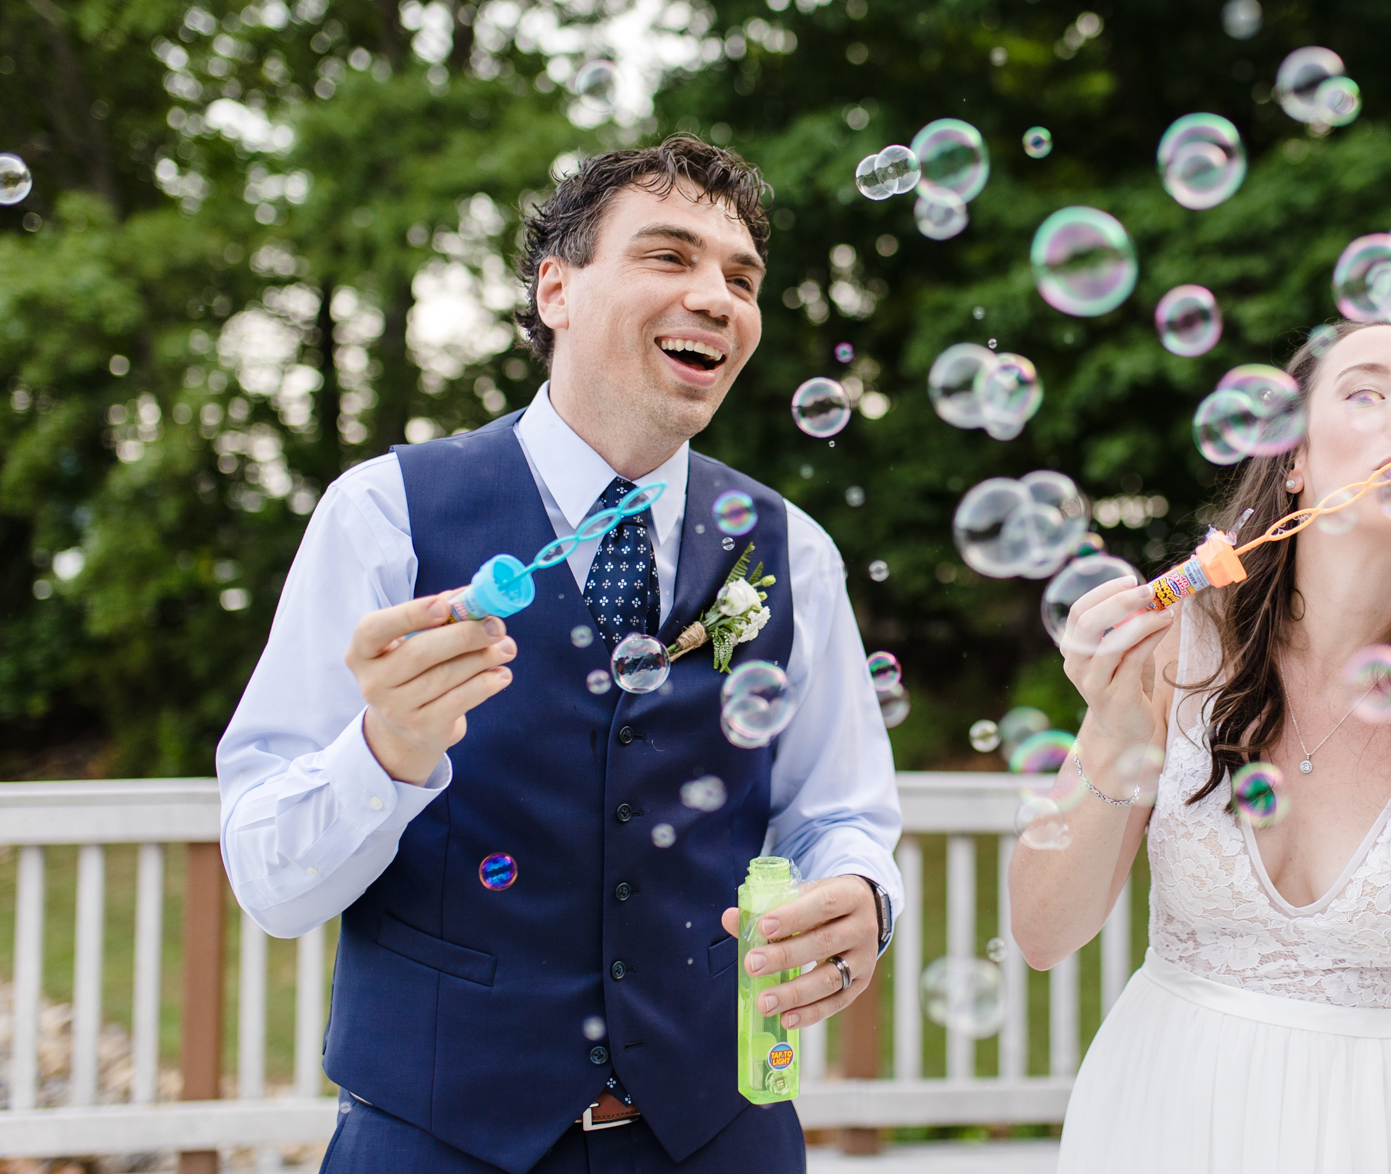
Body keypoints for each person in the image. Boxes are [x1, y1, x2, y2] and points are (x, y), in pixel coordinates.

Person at [216, 138, 903, 1174]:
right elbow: (271, 881)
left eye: (742, 276)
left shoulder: (791, 549)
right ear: (557, 289)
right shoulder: (385, 514)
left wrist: (860, 890)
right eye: (670, 257)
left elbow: (840, 810)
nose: (717, 296)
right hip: (436, 1141)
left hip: (722, 1137)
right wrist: (388, 748)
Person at [1010, 319, 1391, 1174]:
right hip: (1159, 1124)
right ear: (1293, 461)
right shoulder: (1176, 650)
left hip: (1390, 1137)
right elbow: (1041, 934)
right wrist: (1110, 734)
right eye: (1367, 392)